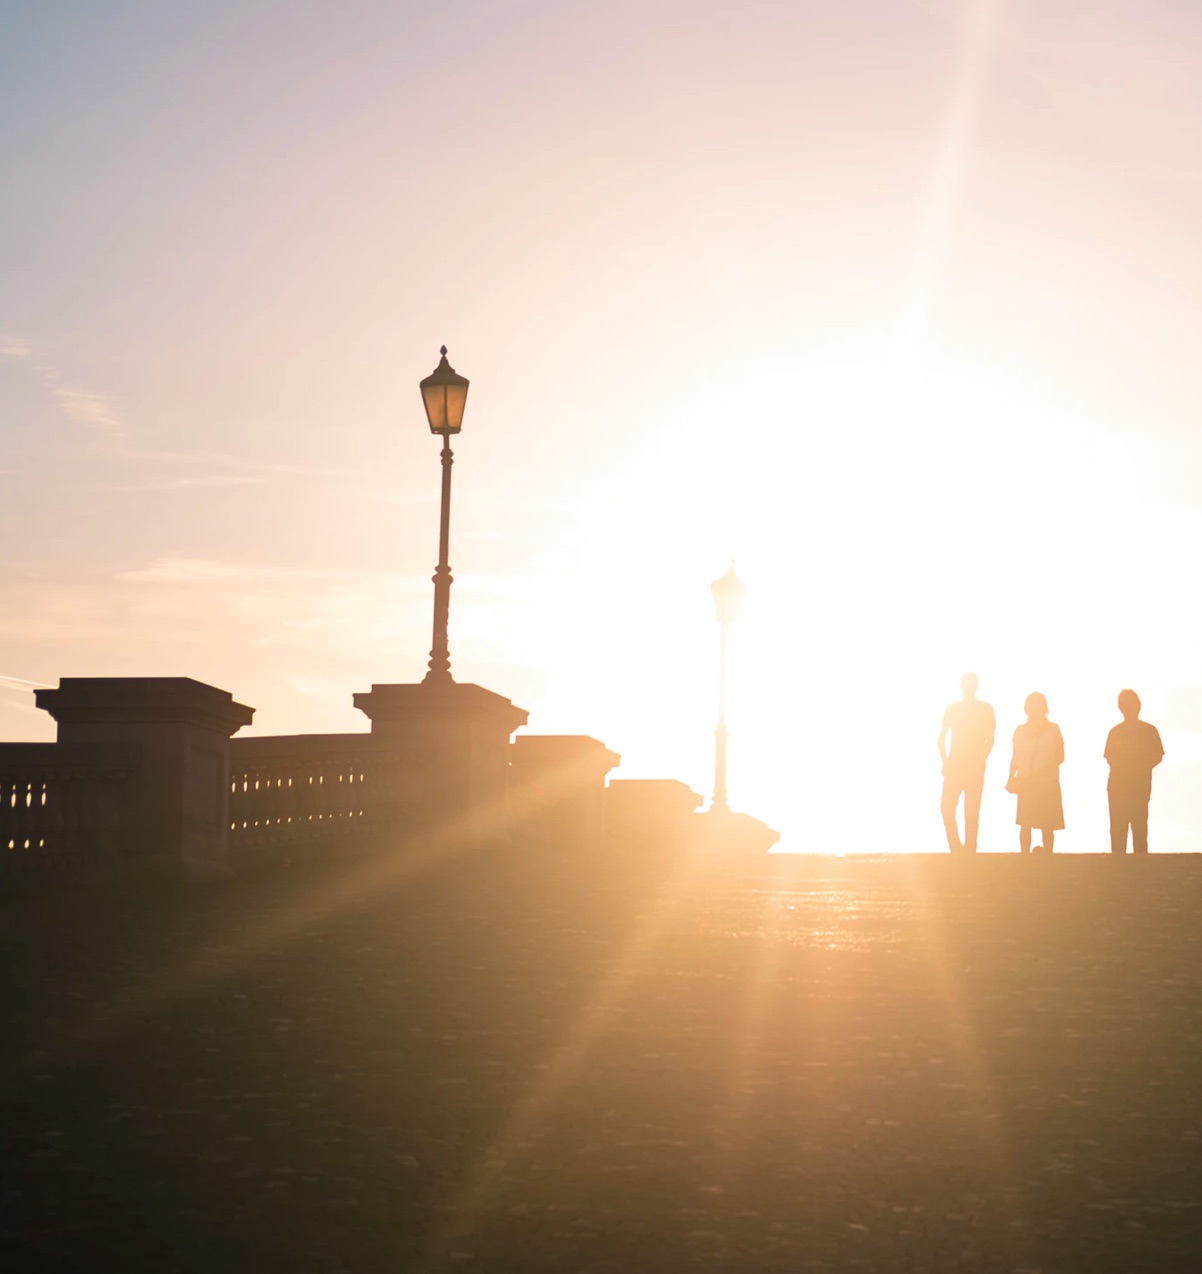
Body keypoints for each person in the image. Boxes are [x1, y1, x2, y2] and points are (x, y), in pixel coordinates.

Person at [938, 672, 995, 854]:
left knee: (971, 813)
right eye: (966, 683)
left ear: (975, 686)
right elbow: (941, 738)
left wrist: (980, 761)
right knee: (947, 809)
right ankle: (956, 849)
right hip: (954, 765)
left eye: (971, 684)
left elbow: (990, 739)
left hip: (973, 767)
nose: (968, 687)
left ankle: (969, 850)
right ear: (961, 686)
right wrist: (945, 761)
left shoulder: (986, 709)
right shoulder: (952, 709)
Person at [1104, 690, 1164, 854]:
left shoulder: (1149, 731)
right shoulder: (1114, 733)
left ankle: (1140, 866)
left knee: (1139, 827)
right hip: (1118, 787)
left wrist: (1141, 767)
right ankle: (1117, 866)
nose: (1128, 708)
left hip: (1139, 786)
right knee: (1118, 829)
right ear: (1120, 708)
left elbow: (1158, 756)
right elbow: (1109, 758)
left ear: (1138, 706)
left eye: (1131, 704)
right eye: (1124, 705)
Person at [1007, 692, 1064, 854]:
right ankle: (1024, 855)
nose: (1034, 710)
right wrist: (1011, 777)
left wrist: (1043, 772)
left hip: (1047, 783)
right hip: (1026, 783)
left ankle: (1049, 855)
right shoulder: (1020, 731)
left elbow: (1060, 756)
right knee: (1025, 824)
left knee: (1048, 826)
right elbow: (1015, 757)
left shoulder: (1053, 729)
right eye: (1031, 706)